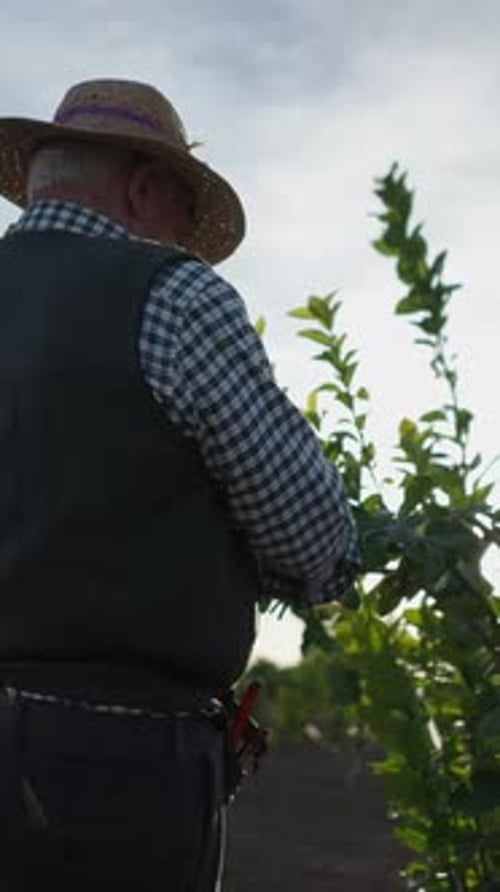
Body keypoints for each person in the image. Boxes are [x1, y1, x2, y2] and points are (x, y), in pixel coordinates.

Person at [0, 79, 359, 891]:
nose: (185, 243)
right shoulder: (172, 294)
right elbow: (313, 543)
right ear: (143, 189)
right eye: (184, 215)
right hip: (108, 769)